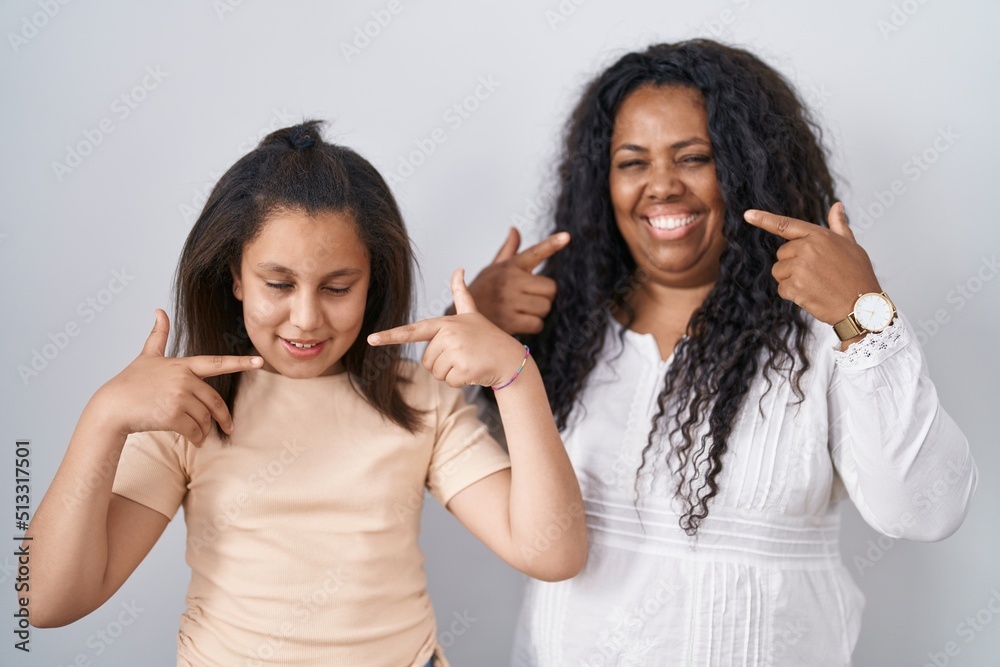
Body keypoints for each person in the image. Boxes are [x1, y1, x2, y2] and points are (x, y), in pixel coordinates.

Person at [464, 40, 978, 665]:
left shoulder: (825, 335)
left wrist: (864, 313)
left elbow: (925, 510)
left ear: (746, 168)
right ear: (602, 183)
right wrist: (475, 333)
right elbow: (413, 455)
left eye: (694, 157)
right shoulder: (563, 330)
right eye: (632, 162)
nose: (661, 186)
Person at [24, 121, 587, 666]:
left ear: (374, 281)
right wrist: (103, 418)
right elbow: (45, 602)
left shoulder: (419, 399)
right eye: (279, 284)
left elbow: (552, 552)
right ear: (234, 277)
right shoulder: (189, 409)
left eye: (338, 287)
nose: (306, 318)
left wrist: (516, 373)